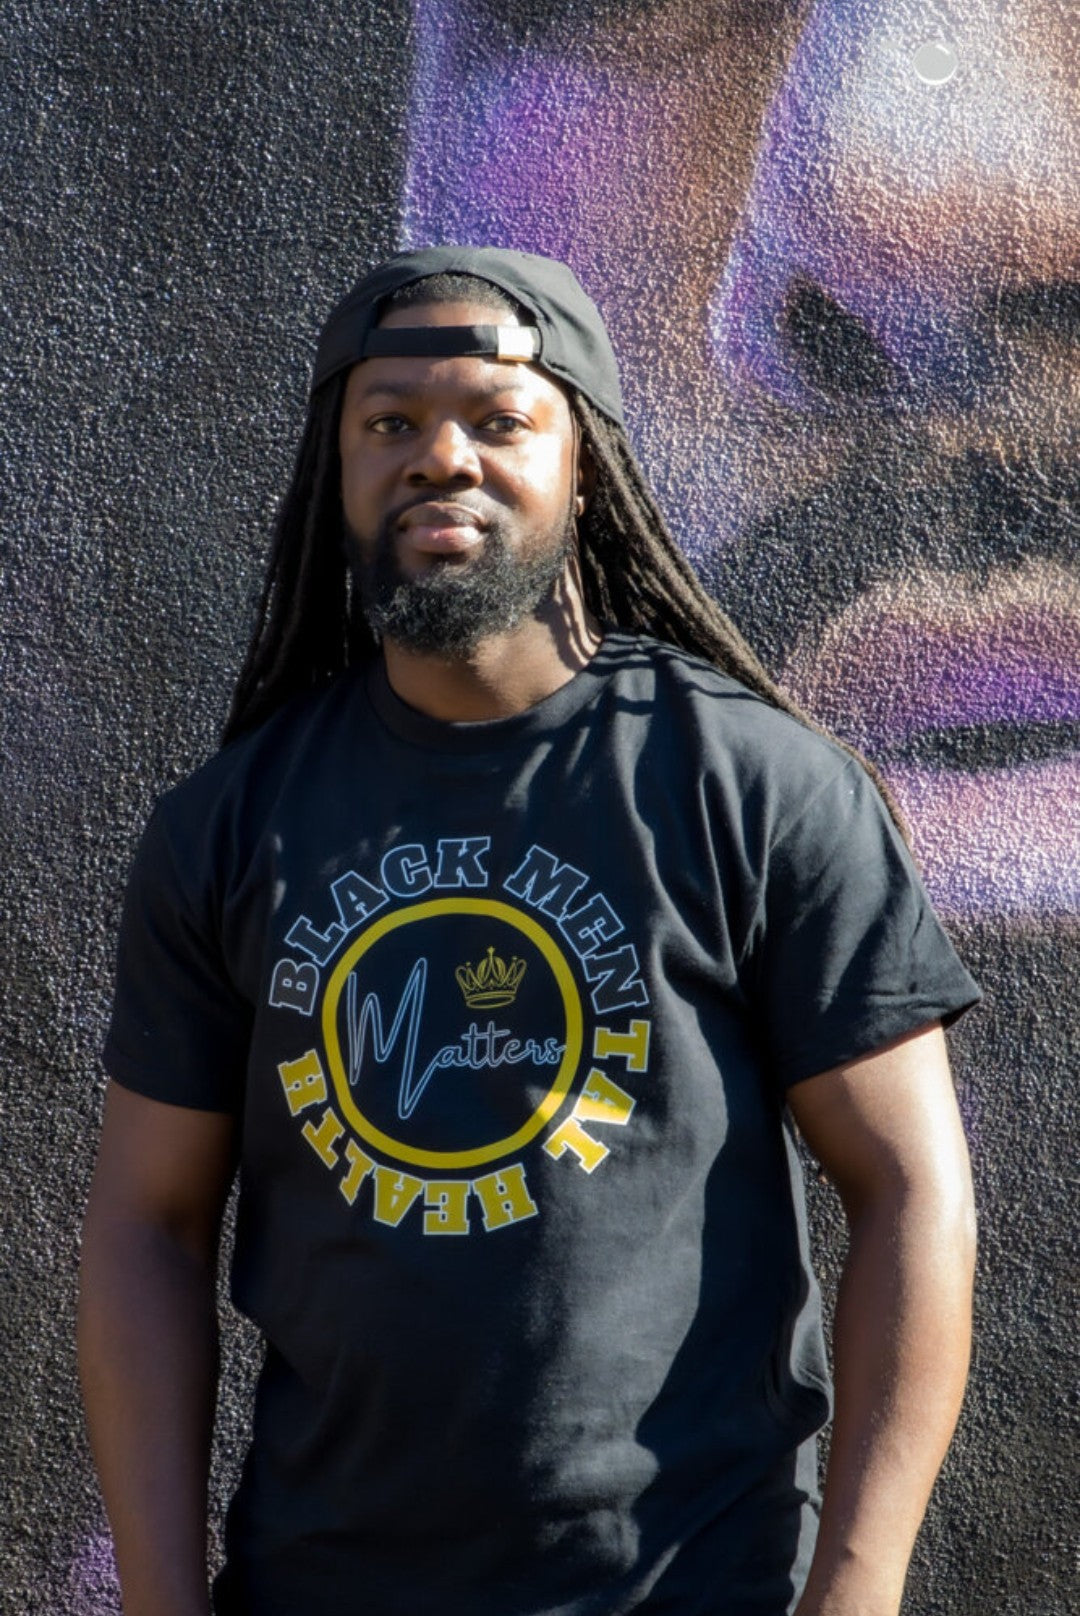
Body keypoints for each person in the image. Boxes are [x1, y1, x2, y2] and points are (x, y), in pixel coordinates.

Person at [79, 245, 979, 1616]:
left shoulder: (754, 786)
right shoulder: (230, 824)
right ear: (337, 470)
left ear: (584, 467)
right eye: (390, 422)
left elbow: (910, 1189)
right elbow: (148, 1222)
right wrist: (159, 1597)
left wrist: (857, 1591)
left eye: (499, 420)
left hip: (693, 1587)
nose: (441, 457)